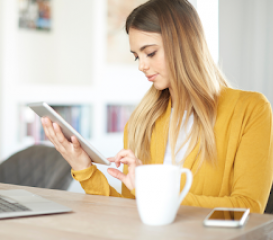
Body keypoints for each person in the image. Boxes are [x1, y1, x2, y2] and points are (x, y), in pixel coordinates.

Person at [41, 0, 273, 213]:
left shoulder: (250, 110)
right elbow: (130, 211)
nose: (142, 66)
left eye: (150, 53)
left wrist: (156, 193)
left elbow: (250, 208)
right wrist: (84, 168)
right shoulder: (140, 122)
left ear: (184, 43)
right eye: (136, 56)